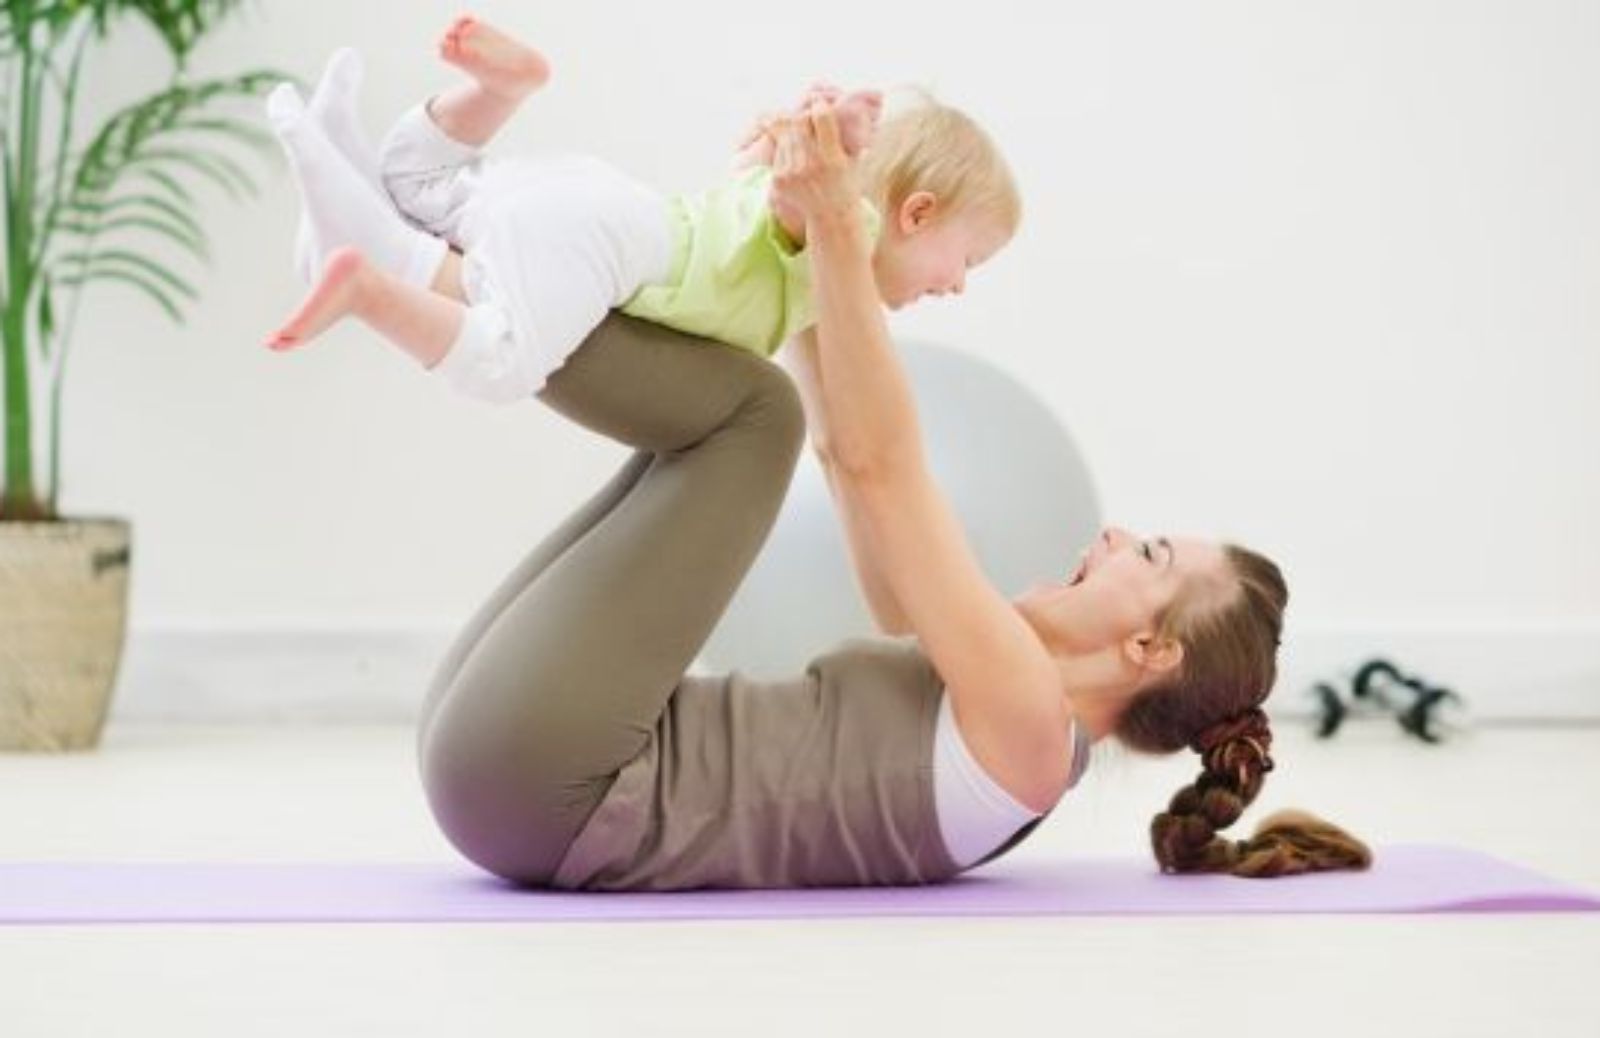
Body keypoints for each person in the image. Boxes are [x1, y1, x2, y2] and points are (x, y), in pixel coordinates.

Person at [270, 53, 1370, 888]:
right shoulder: (995, 696)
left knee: (749, 422)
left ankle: (416, 267)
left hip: (555, 785)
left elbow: (887, 467)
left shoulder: (1033, 729)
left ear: (1147, 647)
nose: (1117, 535)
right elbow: (856, 468)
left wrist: (842, 233)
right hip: (523, 761)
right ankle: (414, 260)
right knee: (743, 407)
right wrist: (798, 248)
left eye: (1150, 553)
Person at [262, 18, 1016, 409]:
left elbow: (756, 192)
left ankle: (492, 95)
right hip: (608, 246)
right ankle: (372, 282)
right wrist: (838, 149)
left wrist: (804, 135)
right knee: (498, 362)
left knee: (420, 181)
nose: (958, 286)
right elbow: (797, 208)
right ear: (915, 212)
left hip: (591, 199)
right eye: (970, 261)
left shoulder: (799, 224)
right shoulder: (844, 229)